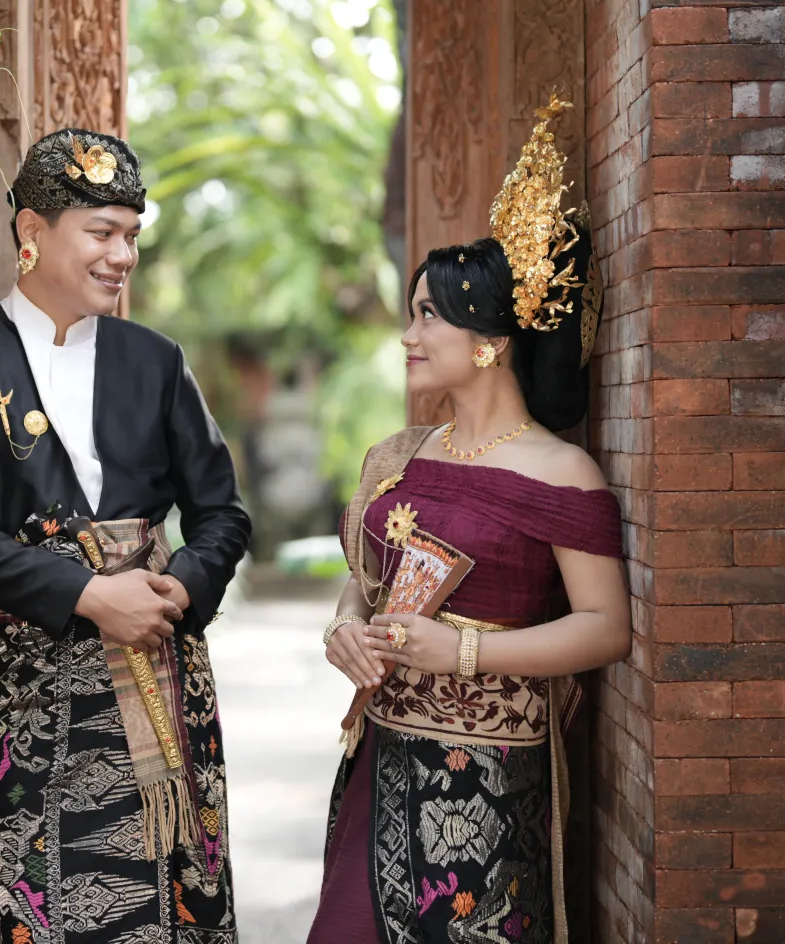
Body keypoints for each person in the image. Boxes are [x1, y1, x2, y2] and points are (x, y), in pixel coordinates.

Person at [0, 127, 250, 944]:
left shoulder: (154, 360)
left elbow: (222, 514)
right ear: (33, 229)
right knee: (55, 906)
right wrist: (90, 595)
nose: (122, 255)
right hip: (32, 694)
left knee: (180, 902)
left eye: (132, 235)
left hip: (162, 672)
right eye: (102, 232)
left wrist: (182, 587)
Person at [307, 102, 631, 944]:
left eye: (428, 316)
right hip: (378, 754)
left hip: (487, 780)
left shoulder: (561, 472)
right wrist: (345, 630)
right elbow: (365, 585)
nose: (408, 336)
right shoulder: (399, 455)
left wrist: (463, 652)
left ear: (489, 340)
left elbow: (606, 628)